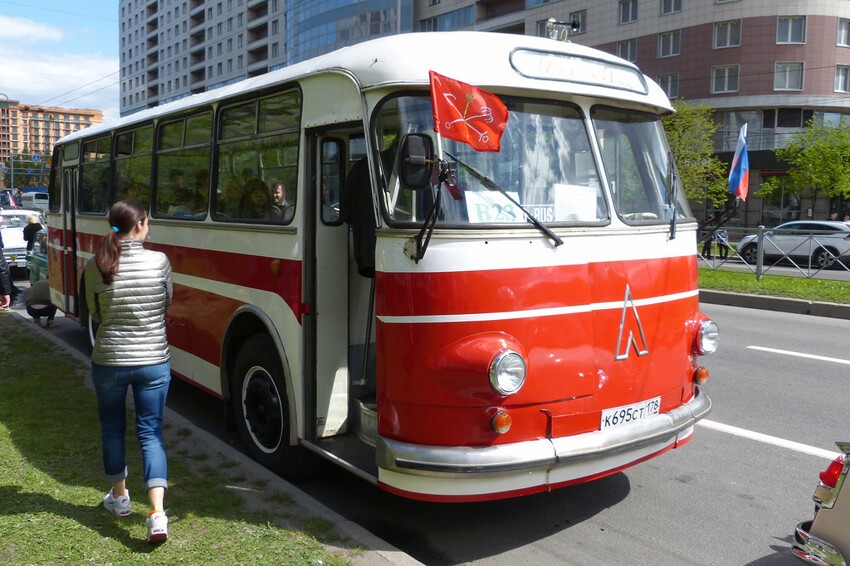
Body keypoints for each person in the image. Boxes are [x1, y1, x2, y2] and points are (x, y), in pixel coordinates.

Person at [84, 200, 173, 544]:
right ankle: (157, 514)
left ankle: (120, 498)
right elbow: (166, 301)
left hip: (109, 360)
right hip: (153, 360)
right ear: (139, 225)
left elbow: (94, 312)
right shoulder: (160, 261)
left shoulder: (96, 265)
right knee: (150, 432)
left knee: (112, 428)